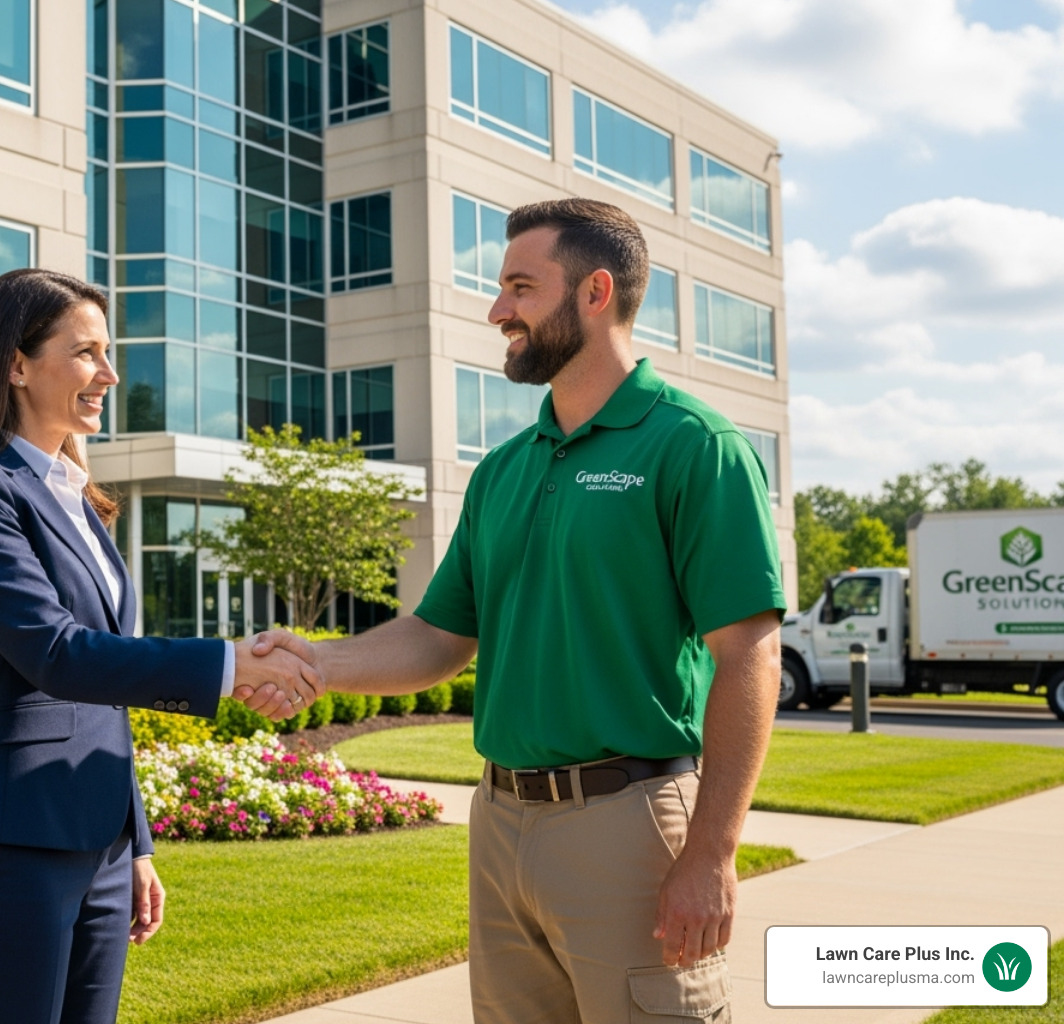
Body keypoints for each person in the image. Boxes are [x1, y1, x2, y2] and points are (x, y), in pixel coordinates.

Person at [255, 199, 784, 1024]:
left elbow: (748, 652)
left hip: (630, 826)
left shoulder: (694, 447)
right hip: (500, 824)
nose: (498, 310)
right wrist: (318, 664)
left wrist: (712, 852)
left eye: (520, 287)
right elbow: (438, 636)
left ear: (595, 292)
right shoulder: (502, 471)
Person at [0, 268, 322, 1024]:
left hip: (97, 844)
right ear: (15, 364)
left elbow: (104, 692)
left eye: (109, 353)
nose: (110, 374)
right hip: (14, 843)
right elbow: (58, 655)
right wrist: (229, 666)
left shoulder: (77, 499)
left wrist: (134, 844)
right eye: (87, 353)